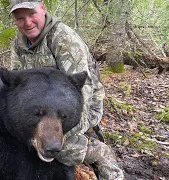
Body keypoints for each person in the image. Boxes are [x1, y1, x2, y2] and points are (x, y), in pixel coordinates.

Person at [9, 0, 124, 179]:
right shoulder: (19, 43)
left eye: (32, 14)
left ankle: (98, 152)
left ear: (43, 8)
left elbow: (82, 90)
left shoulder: (62, 38)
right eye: (21, 18)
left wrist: (59, 130)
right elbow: (17, 87)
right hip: (41, 109)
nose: (28, 22)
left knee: (55, 145)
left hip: (79, 105)